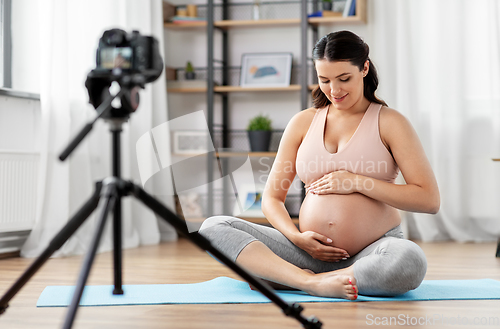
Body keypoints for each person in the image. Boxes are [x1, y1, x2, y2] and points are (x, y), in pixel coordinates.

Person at [199, 30, 440, 300]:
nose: (334, 90)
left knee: (409, 260)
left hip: (372, 252)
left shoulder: (391, 122)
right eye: (324, 80)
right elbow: (272, 198)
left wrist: (357, 182)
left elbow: (428, 200)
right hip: (305, 252)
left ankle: (291, 278)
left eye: (343, 78)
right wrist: (295, 237)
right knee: (212, 227)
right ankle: (308, 281)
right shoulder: (303, 122)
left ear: (364, 68)